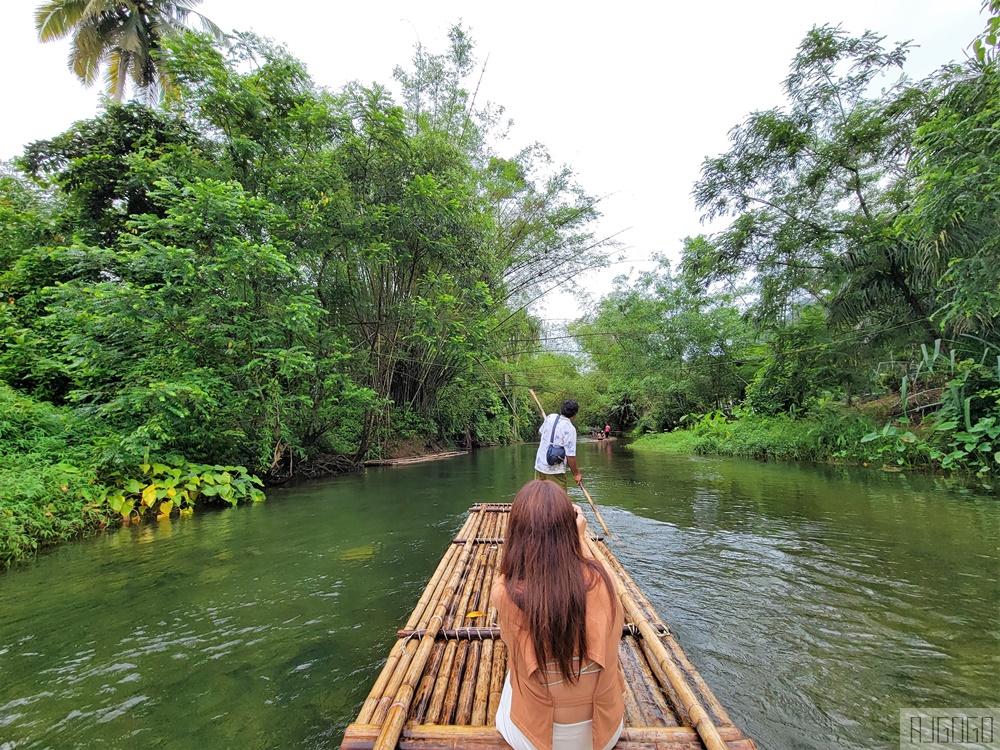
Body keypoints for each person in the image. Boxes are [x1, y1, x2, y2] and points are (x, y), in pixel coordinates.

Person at [492, 480, 625, 750]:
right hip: (603, 735)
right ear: (570, 527)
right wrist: (579, 540)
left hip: (538, 740)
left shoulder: (505, 593)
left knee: (513, 672)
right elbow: (602, 578)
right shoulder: (604, 582)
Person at [535, 400, 581, 488]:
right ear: (574, 415)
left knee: (540, 496)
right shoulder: (570, 428)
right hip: (555, 470)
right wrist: (576, 474)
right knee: (559, 499)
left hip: (540, 465)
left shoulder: (550, 417)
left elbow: (541, 432)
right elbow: (570, 456)